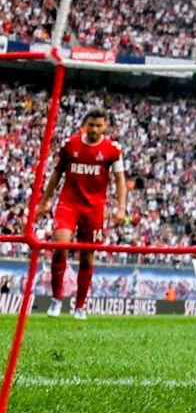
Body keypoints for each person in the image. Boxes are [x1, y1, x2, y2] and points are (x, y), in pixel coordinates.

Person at [43, 109, 129, 320]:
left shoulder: (113, 150)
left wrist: (121, 207)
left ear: (105, 127)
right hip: (68, 204)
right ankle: (56, 300)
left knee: (87, 257)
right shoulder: (70, 145)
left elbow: (120, 180)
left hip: (94, 209)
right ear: (85, 125)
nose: (94, 129)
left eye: (99, 126)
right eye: (91, 125)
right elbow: (57, 173)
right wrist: (44, 201)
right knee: (60, 248)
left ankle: (80, 306)